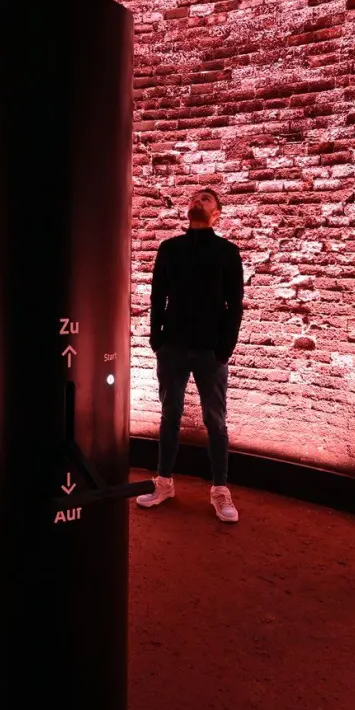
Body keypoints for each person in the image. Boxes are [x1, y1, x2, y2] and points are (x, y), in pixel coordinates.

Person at [137, 187, 243, 523]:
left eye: (206, 199)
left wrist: (224, 348)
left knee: (216, 421)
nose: (198, 201)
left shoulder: (228, 252)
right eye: (195, 198)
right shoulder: (170, 248)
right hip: (173, 347)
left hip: (211, 350)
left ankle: (220, 489)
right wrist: (157, 339)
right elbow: (157, 297)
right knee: (169, 415)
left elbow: (235, 305)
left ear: (217, 214)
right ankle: (164, 482)